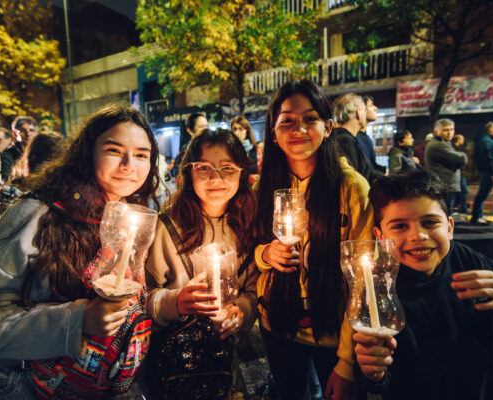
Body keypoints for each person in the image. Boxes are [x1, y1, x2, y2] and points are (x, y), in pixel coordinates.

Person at [0, 104, 159, 399]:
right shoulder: (36, 214)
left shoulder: (127, 218)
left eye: (141, 154)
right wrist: (76, 321)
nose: (128, 164)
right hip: (30, 387)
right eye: (113, 150)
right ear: (88, 153)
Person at [351, 169, 493, 399]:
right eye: (399, 226)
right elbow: (375, 368)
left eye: (430, 222)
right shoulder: (377, 282)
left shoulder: (468, 263)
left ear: (449, 227)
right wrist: (373, 372)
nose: (418, 235)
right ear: (379, 236)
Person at [254, 80, 373, 400]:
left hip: (334, 336)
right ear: (274, 134)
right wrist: (266, 255)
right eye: (287, 121)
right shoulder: (262, 189)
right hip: (277, 326)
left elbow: (363, 278)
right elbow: (248, 250)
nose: (299, 129)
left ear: (329, 127)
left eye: (310, 119)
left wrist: (347, 362)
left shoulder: (351, 187)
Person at [145, 128, 258, 399]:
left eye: (227, 168)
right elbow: (142, 300)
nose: (216, 178)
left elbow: (254, 293)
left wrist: (239, 313)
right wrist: (176, 303)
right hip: (177, 369)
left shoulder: (250, 225)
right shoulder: (167, 228)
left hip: (230, 370)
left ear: (242, 172)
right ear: (189, 172)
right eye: (204, 168)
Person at [424, 119, 467, 214]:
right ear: (437, 132)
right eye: (445, 130)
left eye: (451, 129)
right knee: (444, 215)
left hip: (446, 185)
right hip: (444, 186)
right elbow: (461, 160)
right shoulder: (438, 145)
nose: (449, 133)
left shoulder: (445, 143)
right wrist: (463, 155)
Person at [332, 93, 372, 180]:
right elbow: (355, 178)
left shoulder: (343, 138)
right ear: (358, 113)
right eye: (365, 110)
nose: (366, 113)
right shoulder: (345, 141)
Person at [471, 122, 493, 225]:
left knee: (483, 194)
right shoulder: (487, 141)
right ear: (490, 130)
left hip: (486, 171)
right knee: (483, 194)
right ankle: (476, 216)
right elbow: (489, 158)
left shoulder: (486, 140)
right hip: (487, 171)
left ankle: (478, 215)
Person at [357, 96, 387, 177]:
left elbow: (371, 164)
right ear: (361, 110)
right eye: (371, 105)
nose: (375, 108)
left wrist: (384, 171)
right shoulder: (355, 138)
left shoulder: (366, 137)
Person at [451, 134, 470, 215]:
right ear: (458, 140)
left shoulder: (455, 148)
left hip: (458, 172)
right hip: (457, 173)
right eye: (462, 139)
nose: (463, 140)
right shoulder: (453, 148)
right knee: (464, 190)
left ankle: (461, 206)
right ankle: (463, 207)